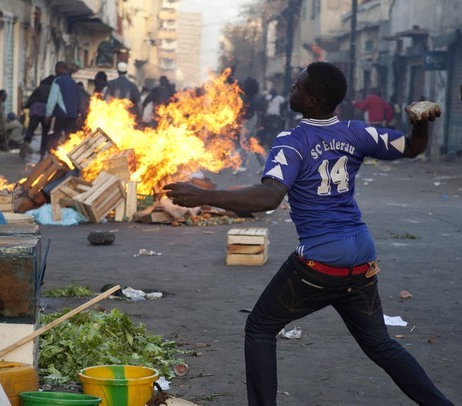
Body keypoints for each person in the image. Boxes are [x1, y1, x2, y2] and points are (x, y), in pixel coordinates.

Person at [164, 62, 450, 405]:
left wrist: (203, 196)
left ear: (312, 100)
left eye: (297, 87)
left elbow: (269, 197)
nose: (291, 89)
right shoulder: (357, 132)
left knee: (260, 328)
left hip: (320, 262)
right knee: (380, 345)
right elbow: (413, 147)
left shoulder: (292, 141)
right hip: (362, 258)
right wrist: (420, 124)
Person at [44, 61, 80, 156]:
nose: (55, 71)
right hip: (73, 115)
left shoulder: (58, 81)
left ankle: (52, 159)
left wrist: (48, 114)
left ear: (60, 68)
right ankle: (66, 158)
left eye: (56, 69)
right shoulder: (73, 82)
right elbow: (78, 99)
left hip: (61, 113)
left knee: (54, 136)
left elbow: (52, 99)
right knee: (67, 138)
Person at [20, 75, 54, 159]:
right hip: (45, 110)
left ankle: (26, 142)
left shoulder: (39, 88)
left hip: (35, 108)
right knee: (45, 132)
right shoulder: (52, 89)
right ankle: (42, 152)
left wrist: (26, 106)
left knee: (31, 129)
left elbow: (31, 98)